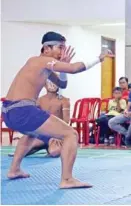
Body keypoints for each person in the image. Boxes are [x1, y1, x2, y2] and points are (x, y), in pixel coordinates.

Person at [2, 31, 112, 188]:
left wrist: (62, 69)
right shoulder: (42, 61)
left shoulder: (41, 65)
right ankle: (67, 179)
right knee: (71, 134)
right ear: (47, 49)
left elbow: (62, 85)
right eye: (60, 47)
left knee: (30, 134)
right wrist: (98, 59)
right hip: (23, 110)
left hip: (8, 111)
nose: (63, 52)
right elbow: (74, 68)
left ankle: (14, 170)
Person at [13, 80, 70, 158]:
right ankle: (38, 147)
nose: (53, 85)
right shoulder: (39, 100)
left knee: (55, 152)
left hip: (56, 134)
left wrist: (59, 135)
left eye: (55, 82)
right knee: (21, 151)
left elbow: (66, 121)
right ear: (44, 85)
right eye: (50, 82)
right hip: (42, 134)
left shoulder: (64, 100)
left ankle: (47, 147)